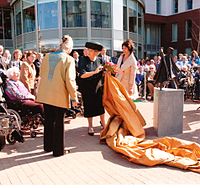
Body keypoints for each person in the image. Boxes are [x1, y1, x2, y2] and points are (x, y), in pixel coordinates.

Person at [36, 35, 78, 157]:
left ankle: (47, 146)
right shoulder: (68, 59)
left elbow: (42, 75)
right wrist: (74, 97)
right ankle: (58, 151)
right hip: (59, 95)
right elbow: (70, 80)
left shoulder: (47, 56)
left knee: (48, 121)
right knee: (59, 123)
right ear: (69, 47)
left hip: (45, 94)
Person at [77, 42, 106, 136]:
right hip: (87, 88)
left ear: (96, 52)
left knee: (100, 106)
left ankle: (103, 123)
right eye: (88, 49)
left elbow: (104, 73)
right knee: (89, 107)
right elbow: (82, 75)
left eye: (90, 50)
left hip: (98, 87)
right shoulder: (82, 60)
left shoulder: (100, 60)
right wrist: (94, 72)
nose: (87, 51)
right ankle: (90, 126)